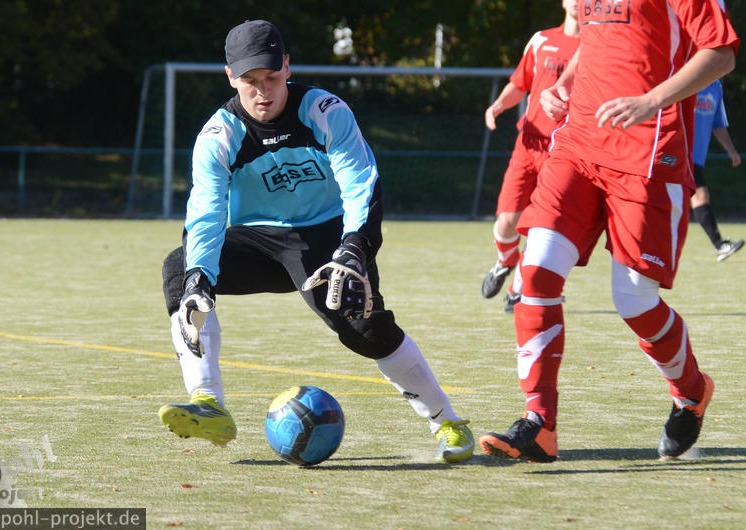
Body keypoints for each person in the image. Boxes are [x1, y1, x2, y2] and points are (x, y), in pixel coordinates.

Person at [156, 20, 474, 463]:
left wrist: (355, 247)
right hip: (259, 240)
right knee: (180, 269)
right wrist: (199, 277)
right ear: (230, 77)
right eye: (250, 80)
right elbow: (206, 213)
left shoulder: (325, 111)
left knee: (365, 331)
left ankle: (448, 422)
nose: (263, 91)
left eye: (271, 76)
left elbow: (361, 183)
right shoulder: (219, 136)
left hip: (327, 238)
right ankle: (208, 403)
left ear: (287, 66)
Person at [478, 1, 738, 463]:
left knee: (634, 300)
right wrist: (564, 83)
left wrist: (651, 100)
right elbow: (595, 39)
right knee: (535, 273)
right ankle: (540, 422)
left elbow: (721, 53)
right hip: (576, 146)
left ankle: (690, 391)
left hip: (648, 155)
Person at [481, 0, 579, 314]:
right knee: (506, 223)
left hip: (565, 152)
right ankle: (506, 259)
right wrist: (498, 105)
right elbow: (519, 83)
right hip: (529, 144)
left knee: (542, 228)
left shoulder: (597, 47)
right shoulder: (542, 40)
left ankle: (518, 289)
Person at [691, 79, 743, 261]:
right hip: (678, 153)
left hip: (696, 157)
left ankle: (720, 245)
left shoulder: (716, 87)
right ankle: (720, 245)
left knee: (693, 199)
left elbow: (718, 123)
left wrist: (731, 150)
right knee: (699, 196)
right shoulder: (687, 74)